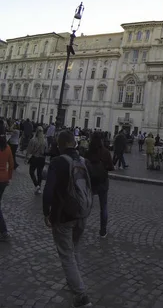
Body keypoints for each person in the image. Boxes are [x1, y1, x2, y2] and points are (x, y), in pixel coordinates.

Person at [42, 130, 93, 308]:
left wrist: (45, 212)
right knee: (75, 249)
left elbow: (48, 189)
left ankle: (81, 296)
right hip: (82, 213)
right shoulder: (83, 161)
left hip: (64, 215)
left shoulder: (58, 162)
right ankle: (73, 281)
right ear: (74, 143)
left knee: (66, 254)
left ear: (60, 144)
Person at [85, 131, 115, 238]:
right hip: (103, 182)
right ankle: (103, 231)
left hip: (91, 182)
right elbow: (111, 167)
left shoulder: (88, 152)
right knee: (104, 207)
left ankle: (81, 226)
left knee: (87, 205)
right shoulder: (105, 152)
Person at [0, 135, 15, 242]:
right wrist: (9, 177)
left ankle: (4, 231)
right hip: (4, 179)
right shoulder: (8, 148)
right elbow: (11, 165)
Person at [26, 126, 47, 194]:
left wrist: (26, 157)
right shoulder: (45, 141)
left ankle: (36, 185)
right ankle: (39, 188)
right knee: (39, 173)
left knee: (31, 172)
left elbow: (29, 150)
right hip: (42, 159)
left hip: (35, 158)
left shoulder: (33, 140)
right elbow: (46, 150)